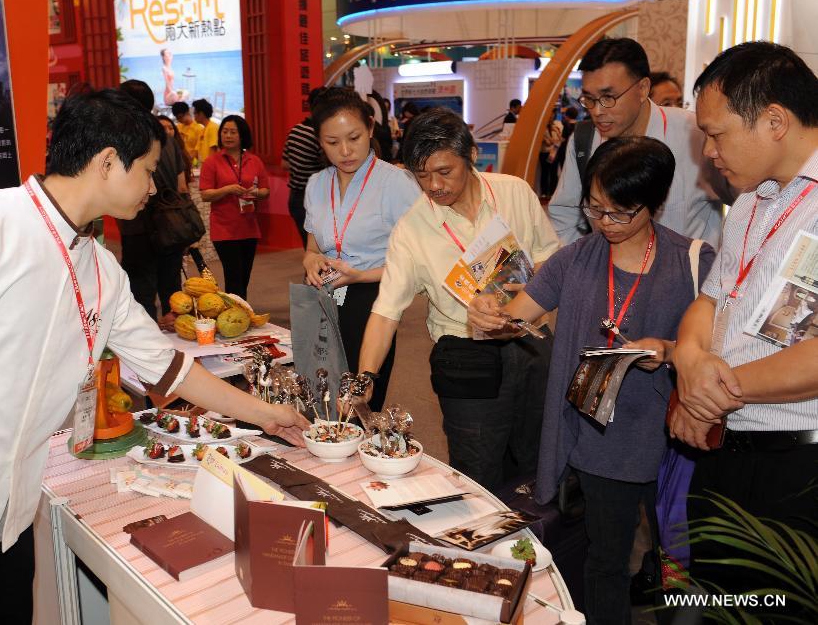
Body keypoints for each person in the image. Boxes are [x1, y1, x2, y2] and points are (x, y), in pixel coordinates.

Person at [0, 88, 308, 623]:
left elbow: (169, 368)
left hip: (6, 525)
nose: (154, 186)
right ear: (106, 162)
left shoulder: (101, 269)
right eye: (148, 170)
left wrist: (270, 416)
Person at [469, 136, 716, 624]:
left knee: (681, 563)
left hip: (675, 438)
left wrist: (668, 351)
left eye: (619, 212)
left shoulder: (692, 261)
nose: (604, 223)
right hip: (602, 444)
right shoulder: (575, 259)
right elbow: (517, 317)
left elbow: (717, 346)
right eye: (595, 209)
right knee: (605, 562)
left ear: (655, 204)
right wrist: (488, 316)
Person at [670, 42, 818, 603]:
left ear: (775, 120)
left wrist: (711, 390)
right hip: (728, 449)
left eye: (716, 133)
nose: (708, 152)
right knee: (716, 601)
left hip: (797, 463)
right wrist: (689, 360)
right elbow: (713, 299)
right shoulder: (753, 200)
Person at [355, 107, 560, 488]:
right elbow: (386, 312)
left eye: (444, 171)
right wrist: (367, 373)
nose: (433, 186)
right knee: (478, 469)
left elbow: (551, 255)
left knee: (538, 458)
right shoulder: (412, 229)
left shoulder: (514, 192)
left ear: (471, 157)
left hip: (532, 343)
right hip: (466, 356)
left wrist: (528, 292)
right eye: (421, 175)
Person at [547, 38, 732, 247]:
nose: (597, 111)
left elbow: (744, 198)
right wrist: (586, 266)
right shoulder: (584, 140)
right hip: (610, 277)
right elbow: (565, 213)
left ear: (643, 88)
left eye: (609, 97)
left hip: (688, 277)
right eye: (589, 98)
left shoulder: (695, 133)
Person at [303, 87, 419, 412]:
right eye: (332, 142)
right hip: (323, 297)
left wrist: (360, 275)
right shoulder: (317, 185)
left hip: (373, 302)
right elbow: (312, 246)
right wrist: (311, 259)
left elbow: (418, 261)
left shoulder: (396, 183)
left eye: (353, 137)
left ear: (370, 128)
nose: (345, 151)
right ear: (320, 142)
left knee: (359, 405)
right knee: (319, 400)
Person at [116, 80, 189, 321]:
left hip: (139, 228)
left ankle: (150, 354)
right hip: (173, 227)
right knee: (173, 296)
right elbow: (181, 186)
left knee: (141, 296)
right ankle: (182, 351)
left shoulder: (127, 140)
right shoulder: (167, 137)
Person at [198, 114, 270, 299]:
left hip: (249, 227)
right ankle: (235, 318)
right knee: (234, 277)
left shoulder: (254, 161)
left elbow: (265, 190)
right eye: (225, 131)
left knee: (244, 277)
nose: (228, 136)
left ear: (242, 135)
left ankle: (240, 312)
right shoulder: (212, 162)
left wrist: (255, 193)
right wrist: (228, 189)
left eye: (233, 132)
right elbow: (205, 194)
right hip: (224, 229)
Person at [282, 86, 326, 248]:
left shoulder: (295, 131)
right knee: (321, 252)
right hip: (317, 199)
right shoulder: (320, 136)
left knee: (310, 249)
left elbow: (284, 163)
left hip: (296, 198)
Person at [158, 114, 193, 188]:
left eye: (171, 128)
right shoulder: (153, 155)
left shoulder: (180, 151)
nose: (168, 132)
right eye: (162, 128)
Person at [171, 101, 204, 166]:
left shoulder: (199, 129)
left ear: (187, 112)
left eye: (180, 117)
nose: (178, 120)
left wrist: (188, 160)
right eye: (177, 118)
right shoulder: (178, 127)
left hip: (193, 162)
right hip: (180, 160)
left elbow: (197, 150)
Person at [539, 114, 563, 198]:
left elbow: (561, 139)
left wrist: (555, 139)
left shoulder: (556, 127)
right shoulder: (540, 128)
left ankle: (553, 192)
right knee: (544, 173)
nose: (550, 119)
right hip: (544, 153)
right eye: (548, 117)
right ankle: (544, 192)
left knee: (553, 173)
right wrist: (549, 140)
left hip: (554, 153)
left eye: (551, 117)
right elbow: (545, 142)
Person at [192, 98, 219, 165]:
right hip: (202, 165)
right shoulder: (203, 129)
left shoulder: (213, 128)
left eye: (195, 113)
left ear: (201, 114)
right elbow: (196, 151)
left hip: (210, 167)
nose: (194, 116)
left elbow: (213, 151)